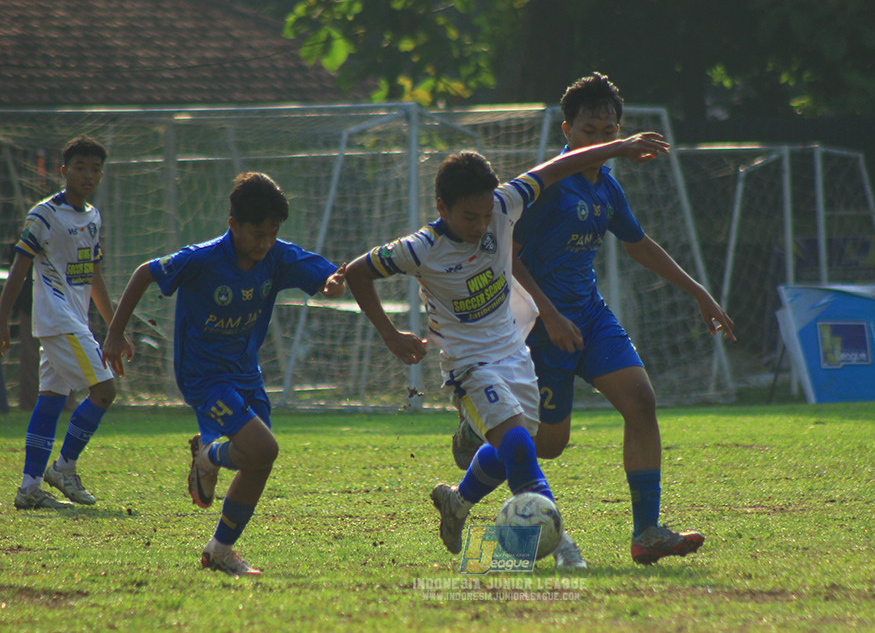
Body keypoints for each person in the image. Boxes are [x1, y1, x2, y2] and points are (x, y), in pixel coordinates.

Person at [345, 133, 670, 570]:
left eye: (485, 215)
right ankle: (561, 544)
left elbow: (556, 168)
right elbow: (358, 272)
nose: (481, 225)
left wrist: (617, 147)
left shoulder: (505, 203)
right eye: (469, 217)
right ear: (442, 208)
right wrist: (390, 335)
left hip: (514, 354)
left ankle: (457, 503)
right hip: (468, 364)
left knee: (513, 447)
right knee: (518, 443)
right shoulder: (421, 248)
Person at [506, 72, 735, 565]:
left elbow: (639, 245)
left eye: (608, 132)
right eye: (589, 131)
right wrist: (549, 315)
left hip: (590, 316)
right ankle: (481, 433)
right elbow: (508, 256)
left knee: (641, 401)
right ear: (566, 130)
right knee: (550, 445)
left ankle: (647, 532)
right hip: (545, 328)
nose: (600, 141)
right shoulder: (549, 186)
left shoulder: (607, 187)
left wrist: (699, 292)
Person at [102, 172, 346, 576]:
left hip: (246, 372)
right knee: (264, 449)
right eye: (257, 235)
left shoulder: (277, 256)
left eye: (272, 234)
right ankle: (209, 457)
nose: (265, 244)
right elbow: (145, 272)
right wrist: (115, 333)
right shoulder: (202, 259)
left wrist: (332, 284)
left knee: (258, 459)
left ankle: (219, 549)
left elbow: (326, 275)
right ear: (233, 225)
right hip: (203, 375)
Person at [0, 136, 133, 510]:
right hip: (58, 320)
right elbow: (19, 268)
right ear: (64, 171)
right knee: (104, 391)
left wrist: (115, 328)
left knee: (51, 401)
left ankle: (29, 488)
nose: (88, 175)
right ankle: (63, 468)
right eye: (80, 167)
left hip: (75, 320)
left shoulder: (93, 216)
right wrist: (2, 318)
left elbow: (94, 276)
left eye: (95, 169)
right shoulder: (44, 214)